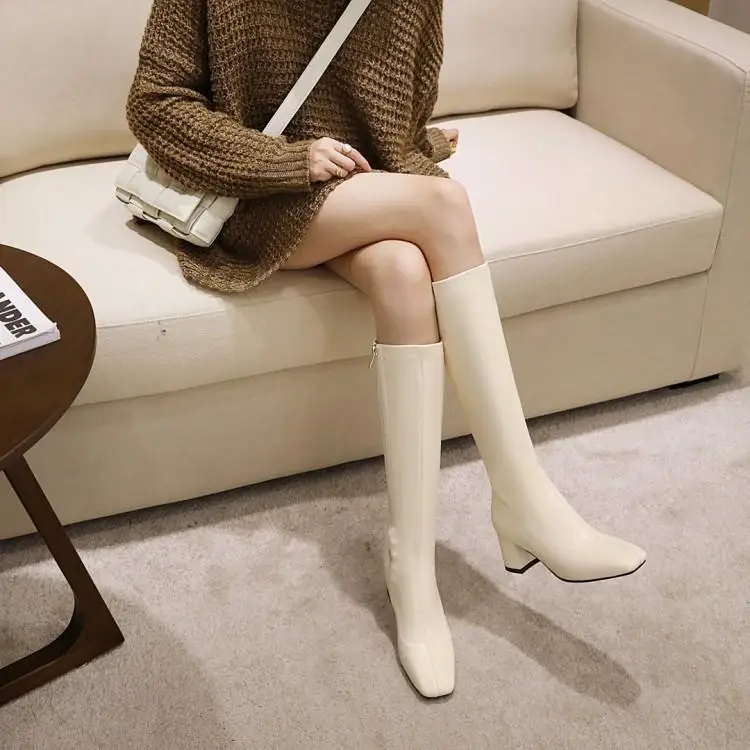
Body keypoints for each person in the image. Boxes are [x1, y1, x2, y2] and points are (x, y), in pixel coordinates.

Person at [126, 0, 646, 699]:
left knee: (403, 272)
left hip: (351, 193)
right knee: (445, 206)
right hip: (249, 192)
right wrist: (288, 159)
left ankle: (413, 571)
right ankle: (524, 498)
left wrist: (415, 144)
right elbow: (155, 105)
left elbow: (395, 116)